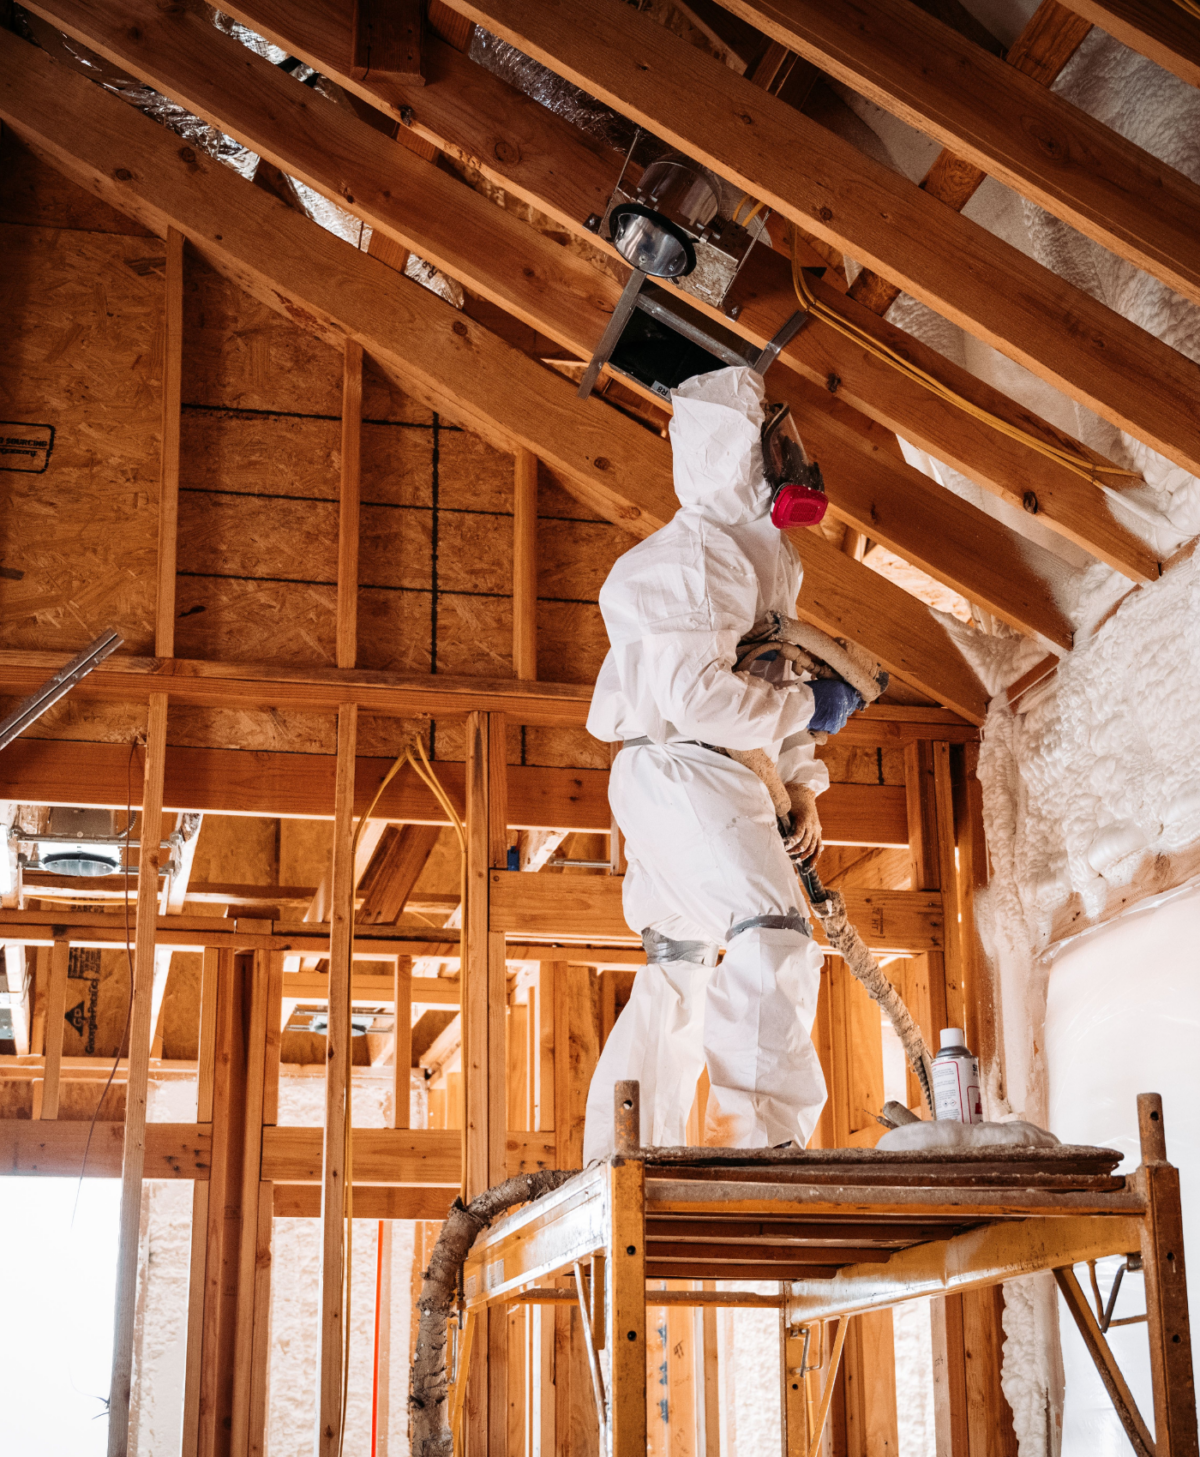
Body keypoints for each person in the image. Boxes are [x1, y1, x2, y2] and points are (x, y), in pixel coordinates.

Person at [582, 364, 863, 1162]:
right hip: (684, 766)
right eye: (772, 449)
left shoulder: (770, 560)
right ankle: (762, 1145)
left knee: (680, 959)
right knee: (774, 929)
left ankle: (627, 1152)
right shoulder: (691, 561)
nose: (790, 462)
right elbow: (703, 699)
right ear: (736, 457)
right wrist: (809, 713)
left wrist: (803, 780)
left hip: (706, 772)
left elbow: (775, 671)